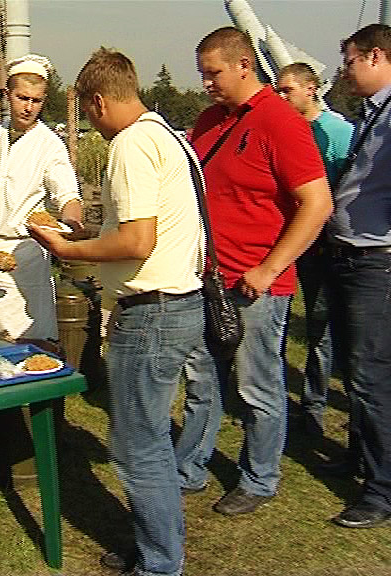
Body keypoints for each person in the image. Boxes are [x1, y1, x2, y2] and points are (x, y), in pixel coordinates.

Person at [31, 47, 204, 576]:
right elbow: (148, 229)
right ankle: (157, 546)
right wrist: (90, 236)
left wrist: (65, 250)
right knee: (148, 437)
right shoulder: (166, 134)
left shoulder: (129, 145)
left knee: (139, 446)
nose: (87, 122)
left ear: (99, 101)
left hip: (149, 312)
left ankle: (160, 563)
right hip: (178, 302)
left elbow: (137, 240)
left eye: (85, 112)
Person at [173, 27, 332, 516]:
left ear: (244, 65)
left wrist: (270, 267)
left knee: (256, 386)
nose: (206, 83)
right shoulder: (209, 121)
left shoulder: (281, 122)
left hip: (256, 285)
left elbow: (317, 203)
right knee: (202, 379)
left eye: (212, 73)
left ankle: (259, 479)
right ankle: (190, 468)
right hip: (208, 279)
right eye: (202, 74)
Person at [0, 53, 83, 343]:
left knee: (26, 338)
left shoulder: (49, 145)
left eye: (36, 101)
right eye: (22, 98)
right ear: (8, 95)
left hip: (24, 256)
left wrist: (70, 222)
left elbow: (68, 195)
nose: (29, 107)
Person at [327, 24, 391, 529]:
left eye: (350, 61)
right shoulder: (375, 114)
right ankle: (366, 459)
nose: (345, 70)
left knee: (371, 376)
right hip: (355, 257)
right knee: (357, 370)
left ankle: (383, 487)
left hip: (377, 261)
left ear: (376, 55)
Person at [275, 63, 354, 438]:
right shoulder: (283, 129)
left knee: (320, 327)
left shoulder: (338, 132)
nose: (281, 96)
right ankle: (273, 401)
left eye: (288, 90)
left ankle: (313, 407)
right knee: (277, 321)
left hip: (323, 245)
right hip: (284, 242)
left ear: (310, 89)